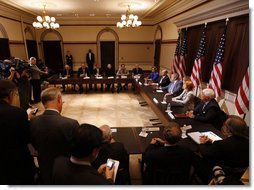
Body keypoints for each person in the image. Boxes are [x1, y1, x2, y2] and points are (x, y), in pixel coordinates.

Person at [30, 87, 79, 184]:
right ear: (59, 99)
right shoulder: (71, 124)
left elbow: (34, 145)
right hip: (66, 174)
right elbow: (77, 150)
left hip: (44, 171)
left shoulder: (33, 122)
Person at [193, 115, 249, 184]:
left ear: (228, 129)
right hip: (239, 175)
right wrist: (212, 142)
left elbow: (205, 153)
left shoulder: (221, 144)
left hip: (220, 173)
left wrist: (201, 143)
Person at [0, 80, 36, 184]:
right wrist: (27, 120)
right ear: (11, 94)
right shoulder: (18, 113)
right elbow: (26, 139)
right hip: (16, 164)